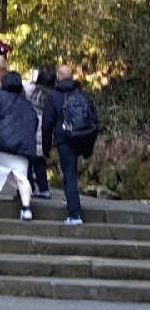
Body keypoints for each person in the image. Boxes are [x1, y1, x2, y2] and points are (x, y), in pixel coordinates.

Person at [42, 64, 99, 226]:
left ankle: (75, 215)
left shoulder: (53, 96)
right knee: (72, 174)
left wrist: (46, 148)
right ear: (72, 77)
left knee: (69, 176)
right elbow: (94, 120)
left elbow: (47, 123)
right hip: (82, 139)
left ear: (58, 77)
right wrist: (89, 146)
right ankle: (70, 199)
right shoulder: (83, 95)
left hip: (65, 140)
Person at [0, 72, 39, 220]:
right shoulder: (27, 104)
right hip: (22, 150)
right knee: (22, 179)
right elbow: (34, 124)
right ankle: (26, 209)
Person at [24, 66, 56, 199]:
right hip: (45, 131)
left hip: (30, 128)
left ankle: (29, 187)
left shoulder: (30, 91)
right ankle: (44, 189)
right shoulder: (53, 96)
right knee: (40, 162)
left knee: (27, 162)